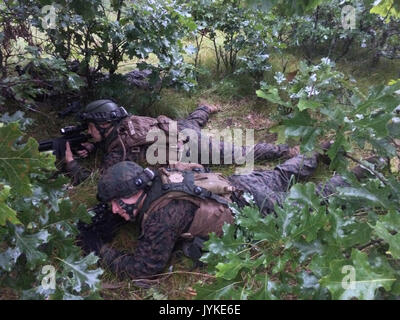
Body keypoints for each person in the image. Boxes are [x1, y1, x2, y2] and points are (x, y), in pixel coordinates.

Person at [80, 144, 379, 281]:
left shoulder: (162, 216)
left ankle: (368, 167)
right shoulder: (160, 176)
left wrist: (100, 250)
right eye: (112, 206)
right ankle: (322, 148)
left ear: (139, 190)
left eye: (121, 202)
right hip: (239, 183)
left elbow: (142, 270)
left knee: (322, 197)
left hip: (258, 209)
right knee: (287, 171)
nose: (117, 210)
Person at [64, 99, 299, 185]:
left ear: (104, 126)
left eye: (91, 128)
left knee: (240, 153)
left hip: (189, 147)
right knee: (192, 122)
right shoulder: (126, 121)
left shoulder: (121, 151)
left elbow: (98, 182)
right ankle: (205, 107)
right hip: (177, 128)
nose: (88, 131)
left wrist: (71, 163)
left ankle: (286, 150)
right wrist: (94, 144)